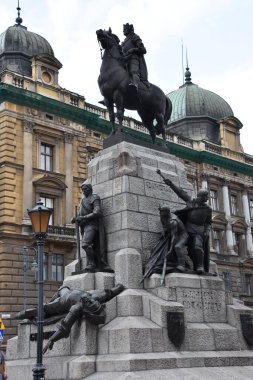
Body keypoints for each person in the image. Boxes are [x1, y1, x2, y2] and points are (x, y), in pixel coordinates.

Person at [14, 283, 124, 353]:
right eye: (90, 301)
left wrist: (52, 339)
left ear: (86, 309)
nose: (88, 300)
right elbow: (109, 293)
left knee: (42, 309)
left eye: (88, 303)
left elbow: (65, 328)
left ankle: (26, 314)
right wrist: (120, 287)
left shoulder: (76, 308)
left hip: (60, 304)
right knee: (63, 287)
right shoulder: (95, 298)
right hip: (66, 291)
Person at [157, 169, 212, 274]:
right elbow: (180, 193)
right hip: (187, 229)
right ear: (200, 196)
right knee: (178, 246)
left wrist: (207, 231)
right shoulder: (191, 202)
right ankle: (180, 264)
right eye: (205, 197)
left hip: (199, 231)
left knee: (197, 248)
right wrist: (171, 184)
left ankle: (200, 266)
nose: (206, 199)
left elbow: (208, 222)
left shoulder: (207, 209)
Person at [142, 204, 188, 282]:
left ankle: (182, 264)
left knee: (177, 247)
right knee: (157, 247)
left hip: (182, 235)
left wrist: (170, 250)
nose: (160, 214)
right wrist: (164, 231)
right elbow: (164, 226)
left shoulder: (173, 221)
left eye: (161, 212)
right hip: (171, 234)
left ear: (166, 212)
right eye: (160, 212)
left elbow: (174, 237)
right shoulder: (163, 217)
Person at [71, 183, 111, 272]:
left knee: (85, 244)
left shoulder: (95, 198)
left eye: (85, 189)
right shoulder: (83, 200)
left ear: (90, 189)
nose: (84, 191)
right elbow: (81, 214)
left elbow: (97, 212)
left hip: (92, 224)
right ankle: (91, 263)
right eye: (83, 189)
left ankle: (92, 264)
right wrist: (75, 218)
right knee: (87, 245)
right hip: (84, 226)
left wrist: (83, 217)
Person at [121, 23, 148, 90]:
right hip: (125, 60)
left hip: (134, 59)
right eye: (123, 29)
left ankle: (135, 86)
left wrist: (133, 50)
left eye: (125, 29)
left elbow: (143, 50)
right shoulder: (124, 42)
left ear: (129, 30)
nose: (123, 31)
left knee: (133, 71)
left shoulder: (134, 37)